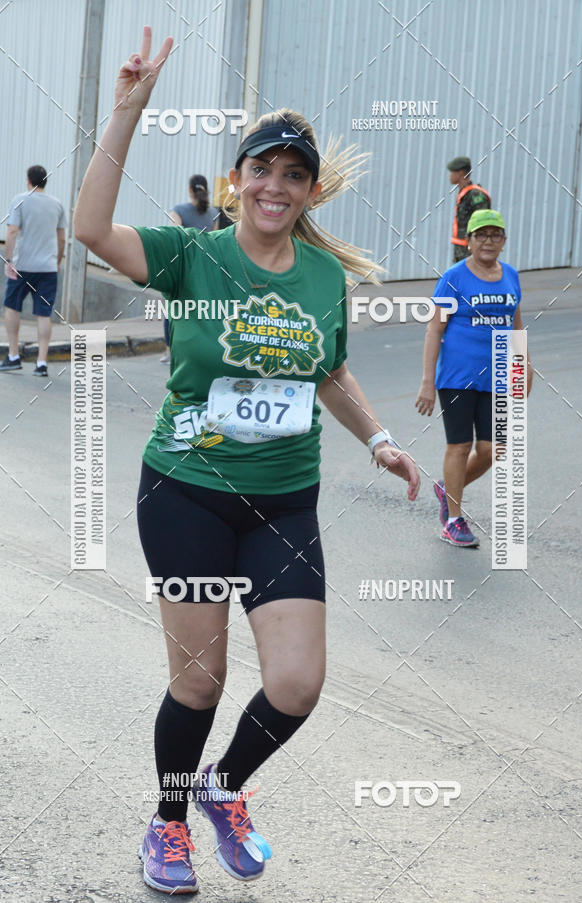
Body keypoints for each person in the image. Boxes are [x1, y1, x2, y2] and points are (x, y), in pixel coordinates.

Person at [73, 27, 420, 896]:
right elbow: (89, 229)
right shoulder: (192, 256)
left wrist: (378, 437)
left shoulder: (323, 278)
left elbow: (328, 370)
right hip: (186, 493)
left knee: (297, 683)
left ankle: (225, 785)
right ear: (237, 181)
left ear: (309, 192)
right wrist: (128, 110)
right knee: (200, 681)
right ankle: (168, 823)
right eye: (262, 169)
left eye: (294, 174)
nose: (276, 185)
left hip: (283, 503)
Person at [415, 209, 533, 547]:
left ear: (504, 241)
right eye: (481, 235)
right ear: (469, 241)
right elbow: (434, 329)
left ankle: (448, 488)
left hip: (498, 376)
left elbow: (515, 325)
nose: (488, 241)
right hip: (458, 377)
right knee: (460, 445)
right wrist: (427, 382)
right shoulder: (454, 277)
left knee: (494, 449)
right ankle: (453, 520)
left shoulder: (511, 276)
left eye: (495, 235)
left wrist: (525, 365)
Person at [1, 165, 66, 376]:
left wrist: (9, 260)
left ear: (28, 180)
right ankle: (41, 363)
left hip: (22, 266)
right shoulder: (57, 204)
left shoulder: (20, 200)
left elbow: (12, 231)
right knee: (43, 313)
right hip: (48, 268)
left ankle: (13, 356)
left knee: (12, 306)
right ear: (45, 181)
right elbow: (62, 238)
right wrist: (57, 262)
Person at [160, 176, 219, 362]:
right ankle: (196, 350)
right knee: (198, 311)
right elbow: (213, 242)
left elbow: (174, 238)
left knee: (173, 309)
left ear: (190, 190)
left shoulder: (178, 210)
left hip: (182, 267)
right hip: (204, 269)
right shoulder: (214, 213)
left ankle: (170, 351)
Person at [447, 156, 490, 263]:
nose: (450, 176)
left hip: (471, 250)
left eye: (452, 172)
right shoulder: (464, 193)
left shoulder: (475, 195)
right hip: (461, 248)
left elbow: (483, 223)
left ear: (461, 173)